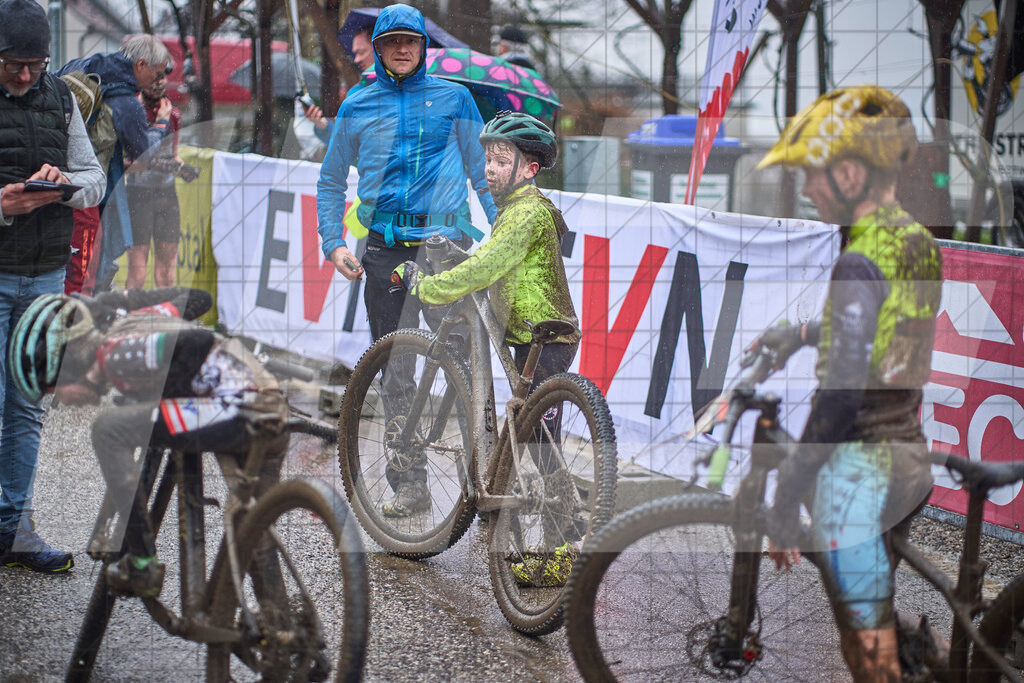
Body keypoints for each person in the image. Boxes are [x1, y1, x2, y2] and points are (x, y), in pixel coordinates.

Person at [750, 85, 943, 681]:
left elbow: (840, 396)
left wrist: (787, 496)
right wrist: (804, 333)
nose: (808, 188)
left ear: (852, 173)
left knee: (867, 651)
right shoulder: (914, 239)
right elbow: (886, 333)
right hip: (907, 454)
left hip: (862, 470)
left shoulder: (857, 262)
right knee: (870, 605)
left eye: (814, 174)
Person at [391, 112, 582, 587]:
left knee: (541, 443)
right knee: (529, 435)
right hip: (530, 339)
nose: (490, 169)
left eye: (501, 160)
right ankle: (522, 523)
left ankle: (563, 549)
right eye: (488, 160)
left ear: (530, 168)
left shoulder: (528, 212)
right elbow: (486, 258)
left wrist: (427, 287)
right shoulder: (512, 210)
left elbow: (486, 268)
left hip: (547, 340)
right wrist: (458, 260)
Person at [9, 287, 287, 596]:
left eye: (55, 391)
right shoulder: (141, 320)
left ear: (72, 367)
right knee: (251, 526)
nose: (61, 401)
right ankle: (278, 616)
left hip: (240, 409)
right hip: (268, 405)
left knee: (108, 430)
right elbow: (196, 304)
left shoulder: (116, 355)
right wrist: (128, 301)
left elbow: (197, 342)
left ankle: (142, 563)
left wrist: (165, 395)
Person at [0, 0, 106, 574]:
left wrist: (63, 184)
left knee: (25, 406)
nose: (25, 75)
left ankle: (14, 530)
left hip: (43, 275)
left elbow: (95, 180)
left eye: (35, 64)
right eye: (13, 64)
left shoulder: (61, 98)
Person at [59, 35, 174, 293]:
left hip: (53, 179)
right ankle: (77, 313)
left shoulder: (83, 65)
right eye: (157, 74)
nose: (158, 80)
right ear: (141, 64)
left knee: (61, 267)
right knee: (85, 272)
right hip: (87, 195)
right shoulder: (127, 102)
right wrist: (160, 124)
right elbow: (144, 155)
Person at [124, 60, 187, 289]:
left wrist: (180, 167)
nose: (159, 82)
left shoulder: (173, 114)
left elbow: (175, 155)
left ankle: (164, 312)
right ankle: (130, 312)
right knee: (138, 273)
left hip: (166, 194)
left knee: (166, 273)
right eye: (154, 77)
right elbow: (123, 164)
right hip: (138, 195)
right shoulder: (131, 111)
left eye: (163, 77)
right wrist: (152, 164)